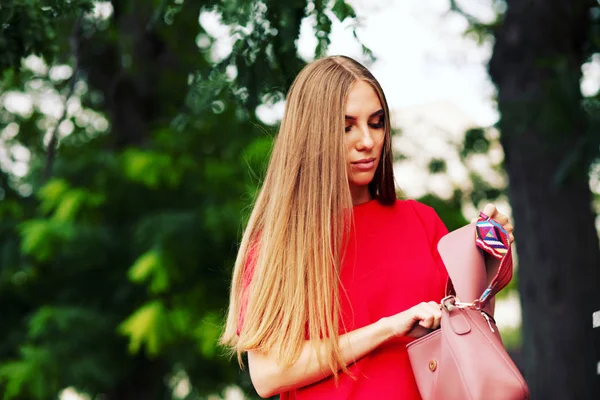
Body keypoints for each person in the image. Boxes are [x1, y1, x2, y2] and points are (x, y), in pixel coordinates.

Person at [220, 55, 514, 399]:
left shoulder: (421, 222)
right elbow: (268, 375)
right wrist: (387, 329)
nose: (368, 141)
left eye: (376, 123)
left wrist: (484, 260)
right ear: (311, 135)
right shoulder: (279, 245)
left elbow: (469, 337)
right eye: (347, 127)